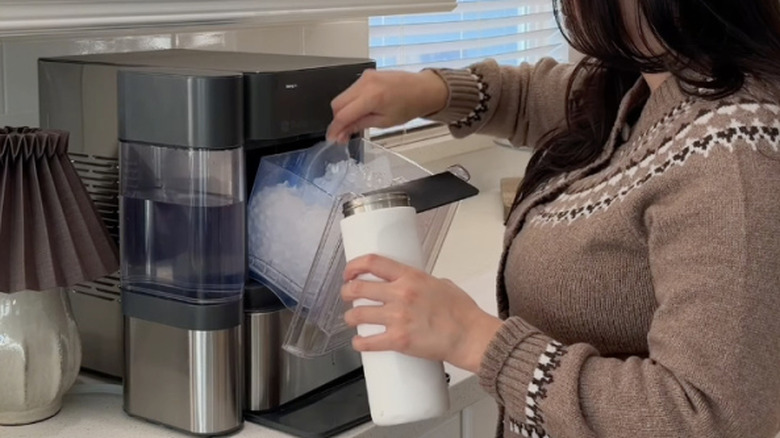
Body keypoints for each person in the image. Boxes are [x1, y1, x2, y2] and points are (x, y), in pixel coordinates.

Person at [327, 0, 780, 437]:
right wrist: (433, 91)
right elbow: (539, 96)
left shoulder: (734, 152)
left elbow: (707, 419)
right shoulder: (655, 84)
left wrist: (475, 340)